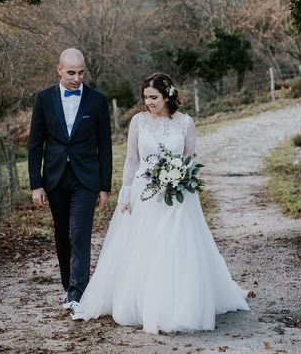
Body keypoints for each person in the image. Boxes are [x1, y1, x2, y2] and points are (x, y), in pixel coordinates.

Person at [72, 72, 249, 333]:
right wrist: (126, 191)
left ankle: (177, 304)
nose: (148, 102)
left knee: (176, 247)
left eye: (153, 97)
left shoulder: (185, 123)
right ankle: (142, 302)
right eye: (145, 97)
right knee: (144, 247)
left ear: (167, 95)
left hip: (177, 197)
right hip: (144, 193)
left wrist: (183, 178)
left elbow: (190, 158)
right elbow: (132, 159)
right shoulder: (138, 121)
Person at [28, 48, 112, 311]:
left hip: (86, 179)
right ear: (59, 70)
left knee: (80, 234)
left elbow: (105, 146)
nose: (77, 78)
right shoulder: (43, 99)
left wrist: (104, 185)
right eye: (72, 72)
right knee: (62, 235)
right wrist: (36, 184)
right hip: (54, 179)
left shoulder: (97, 101)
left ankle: (77, 293)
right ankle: (69, 285)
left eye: (81, 72)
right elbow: (35, 144)